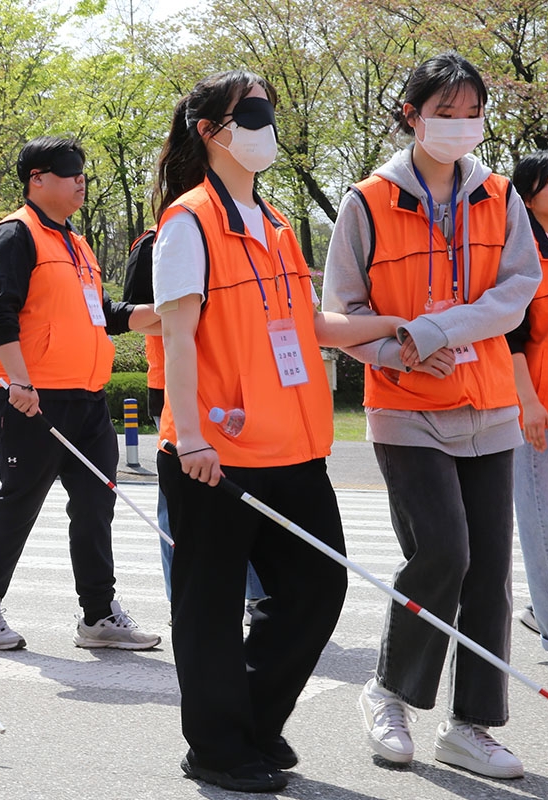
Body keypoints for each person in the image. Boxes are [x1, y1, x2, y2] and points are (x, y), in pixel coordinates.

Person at [154, 71, 406, 792]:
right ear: (212, 132)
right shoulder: (188, 221)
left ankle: (252, 726)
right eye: (253, 112)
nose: (267, 125)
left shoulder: (278, 226)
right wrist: (192, 436)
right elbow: (177, 339)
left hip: (295, 449)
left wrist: (401, 326)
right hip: (215, 454)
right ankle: (219, 750)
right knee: (207, 610)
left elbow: (313, 327)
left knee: (316, 590)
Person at [322, 53, 539, 780]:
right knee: (443, 553)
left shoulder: (501, 195)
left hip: (489, 408)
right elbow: (340, 314)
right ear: (411, 114)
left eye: (471, 110)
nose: (461, 124)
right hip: (406, 410)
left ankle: (472, 725)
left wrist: (434, 333)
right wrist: (399, 350)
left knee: (489, 576)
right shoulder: (366, 201)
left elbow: (516, 293)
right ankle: (390, 693)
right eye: (445, 110)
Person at [0, 136, 162, 652]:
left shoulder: (76, 242)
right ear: (37, 179)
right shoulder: (14, 235)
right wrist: (19, 382)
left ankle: (98, 615)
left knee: (96, 505)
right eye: (70, 172)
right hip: (33, 399)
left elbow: (103, 313)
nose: (81, 180)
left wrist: (161, 314)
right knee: (19, 502)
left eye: (83, 172)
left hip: (88, 400)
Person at [123, 227, 266, 619]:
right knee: (180, 504)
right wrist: (192, 315)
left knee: (247, 495)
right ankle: (182, 599)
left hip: (239, 389)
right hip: (176, 390)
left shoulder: (245, 231)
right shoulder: (156, 240)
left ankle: (258, 595)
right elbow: (132, 315)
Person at [510, 150, 548, 655]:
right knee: (544, 526)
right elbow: (512, 338)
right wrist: (529, 403)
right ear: (528, 195)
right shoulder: (521, 257)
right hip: (536, 406)